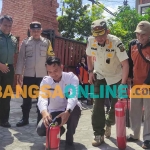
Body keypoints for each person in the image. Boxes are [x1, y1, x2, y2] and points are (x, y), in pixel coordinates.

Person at [86, 19, 129, 146]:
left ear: (108, 31)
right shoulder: (90, 40)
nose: (99, 38)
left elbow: (125, 64)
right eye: (96, 35)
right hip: (99, 75)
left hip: (116, 77)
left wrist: (123, 84)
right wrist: (89, 71)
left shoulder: (116, 42)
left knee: (117, 104)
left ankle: (109, 122)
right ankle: (98, 134)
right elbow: (88, 56)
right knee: (97, 105)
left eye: (102, 34)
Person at [15, 21, 55, 127]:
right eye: (34, 31)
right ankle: (25, 119)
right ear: (30, 31)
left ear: (41, 31)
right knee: (26, 98)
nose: (36, 33)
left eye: (38, 30)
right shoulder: (25, 43)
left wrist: (52, 73)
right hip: (28, 75)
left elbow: (50, 58)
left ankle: (40, 121)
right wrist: (19, 74)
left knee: (41, 99)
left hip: (42, 76)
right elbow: (20, 59)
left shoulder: (47, 42)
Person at [37, 56, 81, 150]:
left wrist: (68, 111)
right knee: (40, 130)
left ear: (61, 67)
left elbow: (73, 96)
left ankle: (69, 140)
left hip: (70, 109)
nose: (53, 74)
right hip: (54, 111)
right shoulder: (45, 81)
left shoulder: (71, 78)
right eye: (50, 72)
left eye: (55, 70)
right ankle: (59, 129)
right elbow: (42, 97)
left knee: (76, 109)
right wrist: (44, 112)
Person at [127, 21, 150, 149]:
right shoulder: (132, 44)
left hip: (148, 85)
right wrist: (129, 77)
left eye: (144, 35)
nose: (140, 37)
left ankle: (147, 138)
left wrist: (146, 83)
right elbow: (129, 63)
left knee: (148, 112)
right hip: (135, 84)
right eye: (138, 34)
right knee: (134, 110)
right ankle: (135, 134)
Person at [0, 15, 18, 128]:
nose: (8, 27)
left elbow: (15, 55)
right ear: (0, 24)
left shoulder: (14, 39)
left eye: (10, 25)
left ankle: (4, 120)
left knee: (6, 95)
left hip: (9, 69)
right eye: (5, 25)